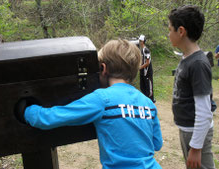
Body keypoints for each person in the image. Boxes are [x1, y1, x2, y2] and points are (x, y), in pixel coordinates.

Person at [16, 39, 163, 169]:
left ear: (103, 69)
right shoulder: (148, 103)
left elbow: (54, 117)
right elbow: (157, 144)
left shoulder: (102, 99)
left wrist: (26, 111)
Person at [168, 5, 215, 169]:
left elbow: (204, 111)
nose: (168, 34)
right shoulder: (187, 58)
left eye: (170, 30)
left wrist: (196, 147)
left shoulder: (198, 64)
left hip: (197, 133)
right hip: (187, 130)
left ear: (181, 31)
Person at [139, 35, 155, 102]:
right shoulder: (141, 50)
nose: (139, 42)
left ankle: (151, 102)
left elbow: (147, 63)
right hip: (142, 72)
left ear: (143, 41)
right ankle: (145, 102)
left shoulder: (146, 50)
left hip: (147, 73)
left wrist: (140, 67)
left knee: (149, 89)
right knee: (143, 88)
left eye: (140, 41)